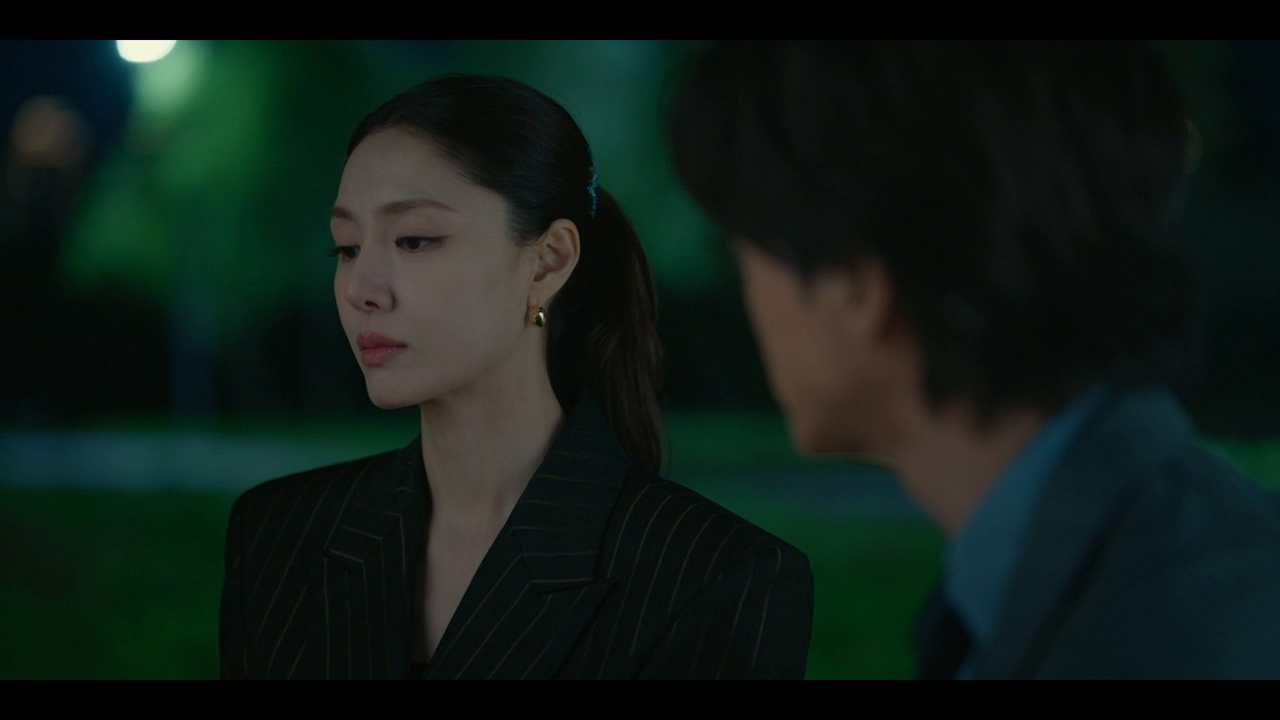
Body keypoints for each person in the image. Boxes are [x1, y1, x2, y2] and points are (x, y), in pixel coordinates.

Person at [664, 41, 1280, 679]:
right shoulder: (1161, 568)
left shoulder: (1157, 635)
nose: (751, 297)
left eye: (742, 253)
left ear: (857, 287)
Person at [219, 74, 814, 680]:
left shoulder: (716, 577)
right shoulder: (277, 536)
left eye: (414, 240)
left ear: (549, 261)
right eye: (346, 248)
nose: (360, 290)